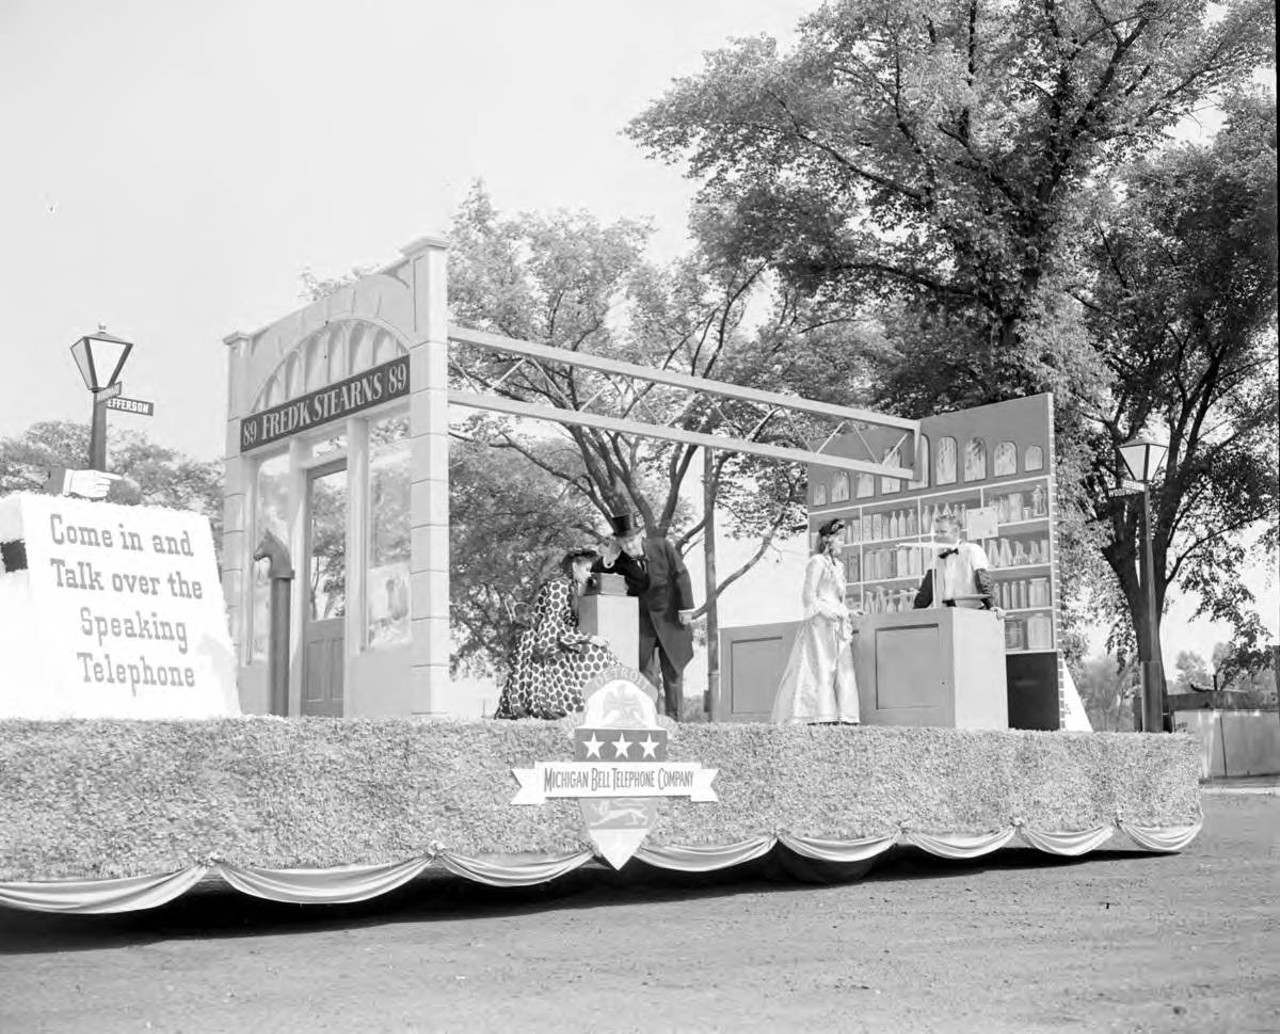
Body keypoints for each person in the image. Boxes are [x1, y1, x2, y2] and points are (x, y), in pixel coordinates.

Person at [495, 548, 619, 720]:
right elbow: (551, 623)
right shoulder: (559, 586)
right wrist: (587, 638)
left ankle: (598, 705)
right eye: (587, 570)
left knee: (599, 653)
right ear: (575, 566)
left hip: (555, 637)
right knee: (594, 652)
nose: (590, 575)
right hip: (541, 640)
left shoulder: (572, 587)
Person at [594, 513, 695, 720]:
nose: (629, 546)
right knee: (646, 674)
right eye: (624, 543)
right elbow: (595, 573)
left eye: (631, 540)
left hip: (670, 618)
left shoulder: (662, 546)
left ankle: (675, 720)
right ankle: (651, 721)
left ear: (640, 536)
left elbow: (681, 574)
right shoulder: (619, 559)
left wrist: (686, 608)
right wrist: (609, 558)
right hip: (641, 624)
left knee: (672, 672)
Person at [771, 517, 861, 725]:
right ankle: (821, 714)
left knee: (843, 667)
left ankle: (846, 715)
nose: (843, 543)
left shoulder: (839, 566)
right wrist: (824, 611)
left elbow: (837, 598)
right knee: (822, 666)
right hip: (820, 622)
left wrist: (849, 612)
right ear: (829, 539)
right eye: (840, 539)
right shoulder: (817, 562)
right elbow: (808, 596)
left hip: (838, 622)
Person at [912, 514, 997, 611]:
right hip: (946, 614)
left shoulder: (972, 550)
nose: (938, 536)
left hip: (972, 611)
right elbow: (927, 588)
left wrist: (991, 606)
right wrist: (915, 610)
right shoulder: (936, 557)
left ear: (956, 531)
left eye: (943, 532)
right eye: (936, 532)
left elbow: (982, 580)